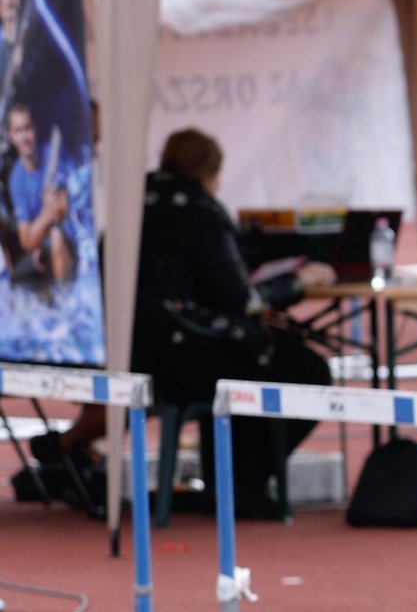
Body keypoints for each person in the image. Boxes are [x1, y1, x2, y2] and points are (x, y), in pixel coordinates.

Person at [133, 127, 336, 517]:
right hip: (188, 355)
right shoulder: (200, 211)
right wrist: (295, 282)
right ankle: (246, 481)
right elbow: (240, 299)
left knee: (243, 355)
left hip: (141, 353)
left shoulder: (136, 203)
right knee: (306, 370)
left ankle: (227, 481)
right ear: (211, 172)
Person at [3, 102, 72, 286]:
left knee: (57, 236)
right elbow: (26, 240)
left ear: (34, 129)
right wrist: (47, 215)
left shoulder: (54, 153)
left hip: (67, 236)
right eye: (18, 131)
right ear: (11, 136)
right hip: (41, 248)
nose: (24, 137)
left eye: (27, 129)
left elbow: (64, 209)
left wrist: (46, 222)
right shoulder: (16, 180)